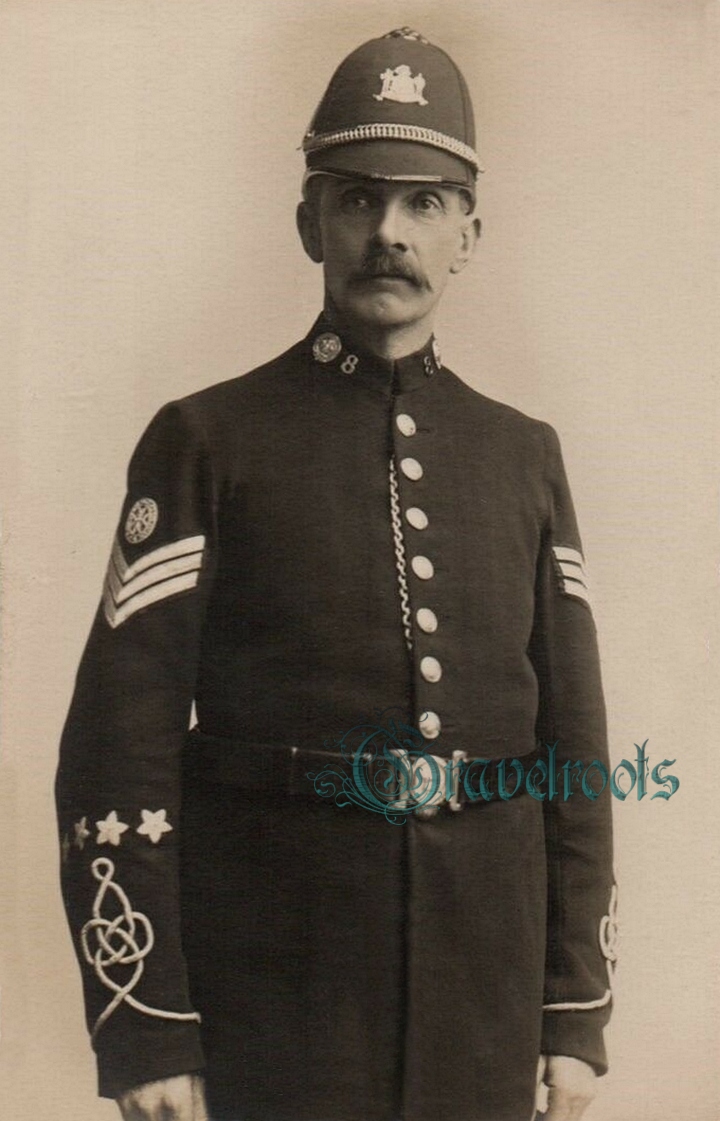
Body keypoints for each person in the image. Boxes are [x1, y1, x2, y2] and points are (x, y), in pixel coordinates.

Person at [56, 27, 616, 1121]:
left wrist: (574, 1012)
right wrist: (145, 1025)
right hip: (274, 988)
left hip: (483, 997)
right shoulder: (206, 440)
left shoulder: (523, 455)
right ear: (309, 221)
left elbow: (576, 752)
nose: (390, 233)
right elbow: (115, 753)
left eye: (423, 203)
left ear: (470, 233)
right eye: (358, 200)